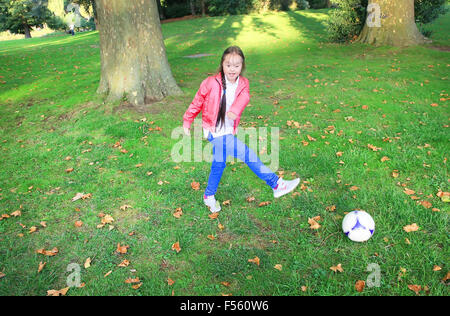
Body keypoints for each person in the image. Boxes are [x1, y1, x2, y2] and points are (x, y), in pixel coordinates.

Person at [182, 46, 300, 213]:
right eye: (228, 65)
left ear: (242, 66)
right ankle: (276, 184)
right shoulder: (210, 82)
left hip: (228, 129)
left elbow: (244, 97)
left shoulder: (243, 83)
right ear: (222, 65)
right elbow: (197, 102)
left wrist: (234, 111)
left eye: (236, 65)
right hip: (214, 131)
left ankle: (209, 196)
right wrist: (187, 120)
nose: (232, 69)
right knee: (247, 154)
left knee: (218, 164)